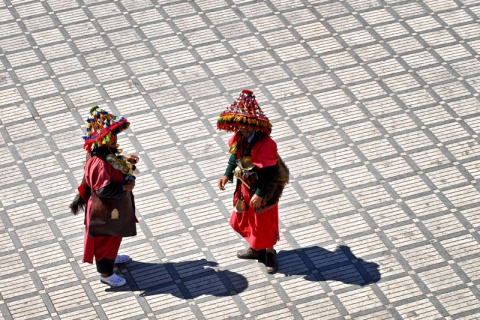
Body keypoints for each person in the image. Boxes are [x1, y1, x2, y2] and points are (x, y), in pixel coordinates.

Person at [217, 90, 289, 274]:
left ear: (255, 125)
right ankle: (255, 249)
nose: (244, 128)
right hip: (245, 187)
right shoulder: (239, 138)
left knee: (264, 222)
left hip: (263, 190)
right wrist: (227, 174)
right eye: (241, 125)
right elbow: (235, 157)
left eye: (247, 125)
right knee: (247, 218)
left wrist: (259, 194)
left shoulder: (266, 144)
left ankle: (270, 253)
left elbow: (270, 173)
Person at [70, 106, 139, 287]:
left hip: (113, 209)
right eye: (111, 137)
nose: (114, 139)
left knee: (113, 237)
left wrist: (125, 160)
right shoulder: (99, 163)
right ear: (102, 141)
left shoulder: (104, 154)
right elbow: (103, 190)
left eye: (115, 136)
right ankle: (106, 275)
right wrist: (125, 186)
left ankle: (112, 257)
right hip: (106, 212)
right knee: (105, 241)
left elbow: (114, 163)